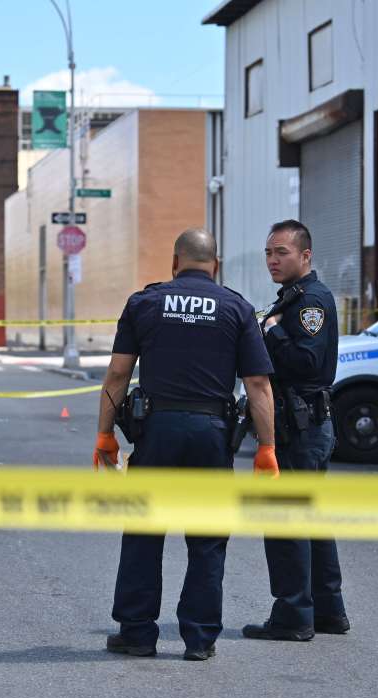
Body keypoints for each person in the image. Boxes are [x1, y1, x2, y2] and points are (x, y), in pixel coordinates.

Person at [94, 228, 278, 662]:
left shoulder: (145, 303)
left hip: (157, 430)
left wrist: (105, 435)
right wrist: (267, 447)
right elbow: (256, 384)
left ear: (174, 262)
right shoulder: (237, 307)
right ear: (216, 264)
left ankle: (137, 633)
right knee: (208, 537)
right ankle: (199, 639)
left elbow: (118, 374)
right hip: (212, 433)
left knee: (144, 531)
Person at [243, 219, 349, 642]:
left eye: (281, 252)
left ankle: (293, 616)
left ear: (305, 256)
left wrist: (269, 333)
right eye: (268, 252)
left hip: (300, 426)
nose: (272, 260)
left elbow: (306, 362)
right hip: (305, 423)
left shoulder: (310, 303)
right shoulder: (293, 298)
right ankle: (327, 611)